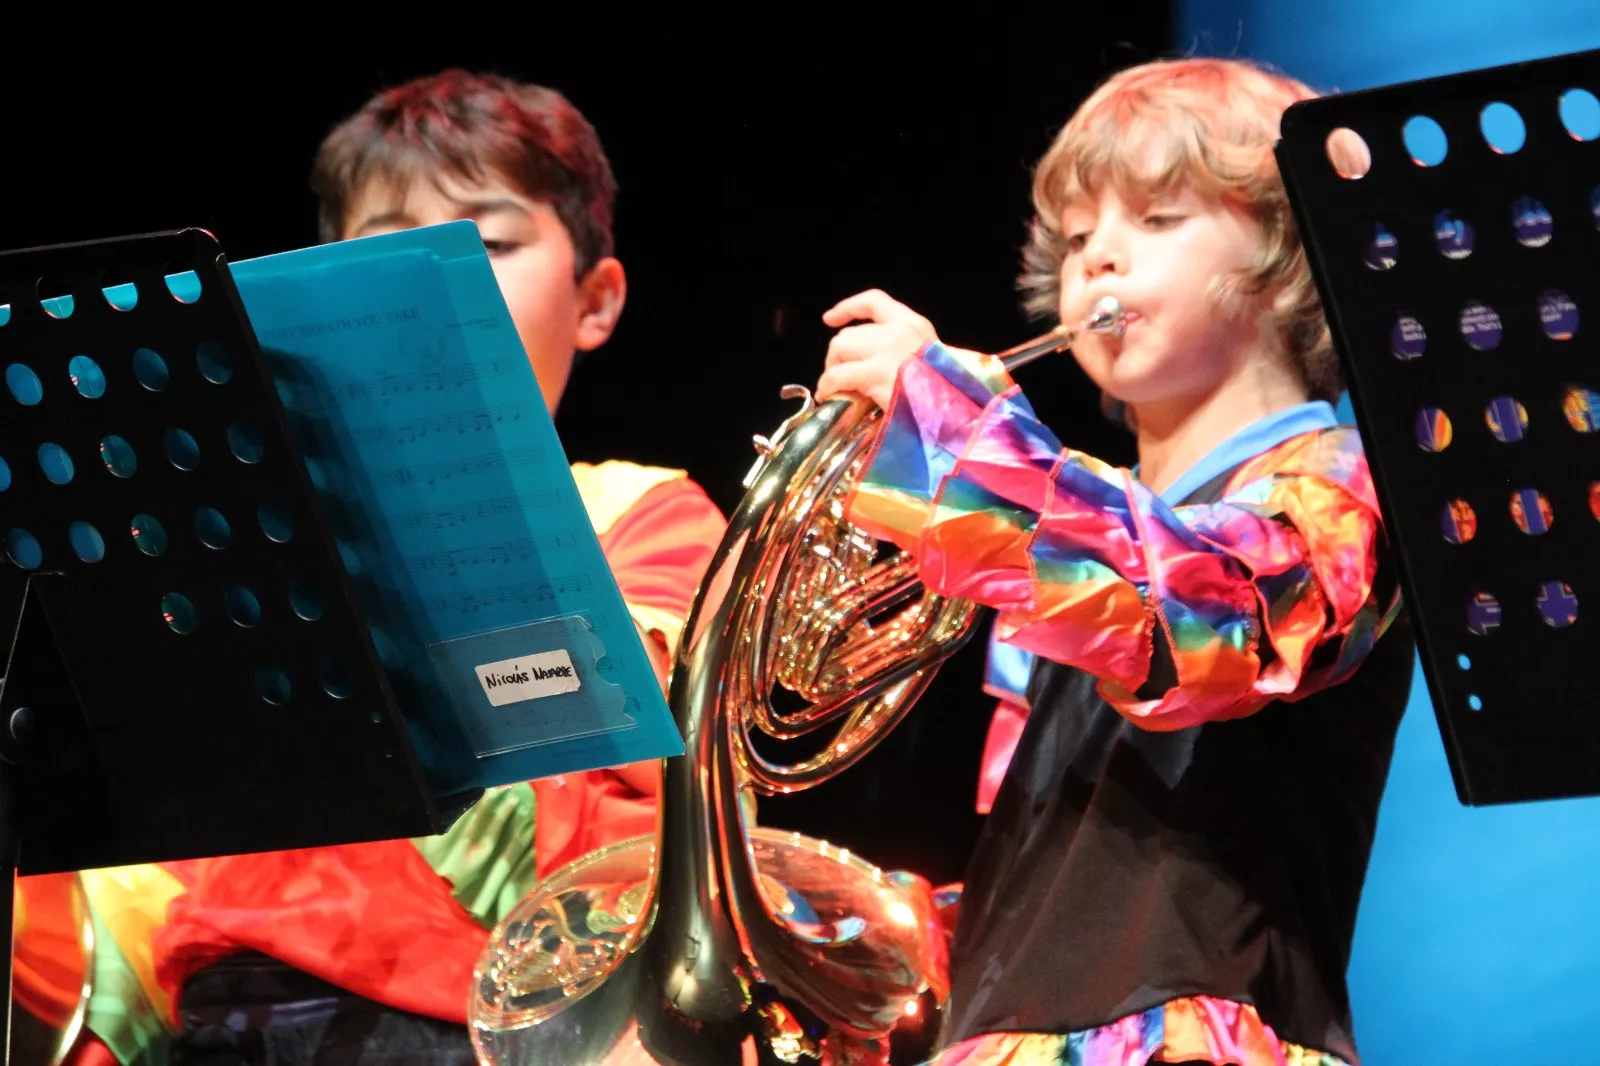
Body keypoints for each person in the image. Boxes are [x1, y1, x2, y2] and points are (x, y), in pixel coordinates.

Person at [44, 70, 727, 1066]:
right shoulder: (230, 520)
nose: (432, 283)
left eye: (488, 243)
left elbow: (618, 772)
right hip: (227, 1006)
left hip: (498, 1015)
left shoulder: (644, 509)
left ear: (596, 298)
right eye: (387, 249)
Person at [815, 58, 1413, 1066]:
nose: (1097, 261)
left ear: (1288, 251)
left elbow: (1205, 613)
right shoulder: (1069, 545)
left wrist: (957, 439)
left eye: (1157, 220)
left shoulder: (1342, 486)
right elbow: (1047, 895)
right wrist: (830, 920)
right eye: (1081, 237)